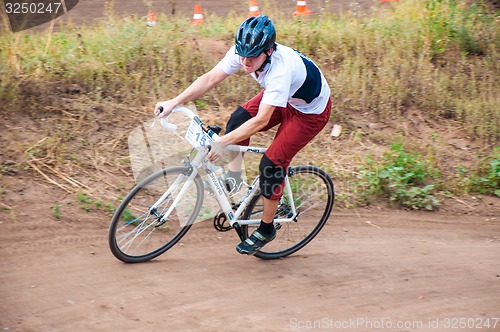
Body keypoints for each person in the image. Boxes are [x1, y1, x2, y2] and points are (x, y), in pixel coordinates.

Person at [154, 15, 332, 255]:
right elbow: (210, 78)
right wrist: (174, 102)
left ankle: (267, 228)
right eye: (242, 55)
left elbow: (261, 120)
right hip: (285, 97)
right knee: (237, 119)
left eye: (252, 57)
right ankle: (236, 177)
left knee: (271, 163)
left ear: (268, 52)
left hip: (310, 113)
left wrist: (223, 142)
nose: (245, 62)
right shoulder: (244, 51)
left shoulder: (280, 70)